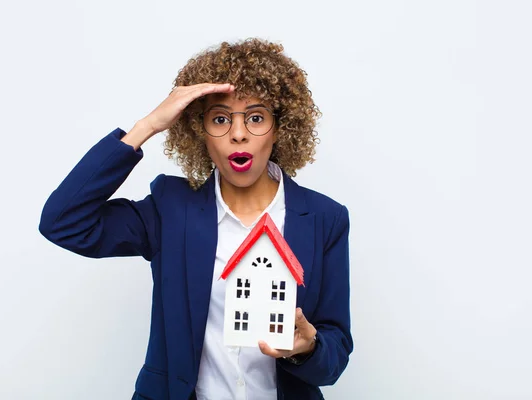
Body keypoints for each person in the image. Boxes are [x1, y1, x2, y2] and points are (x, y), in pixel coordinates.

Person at [39, 38, 352, 400]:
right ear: (199, 132)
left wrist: (309, 348)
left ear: (279, 127)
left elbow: (335, 354)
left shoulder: (325, 218)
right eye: (220, 119)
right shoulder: (169, 209)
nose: (238, 133)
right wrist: (147, 126)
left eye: (256, 117)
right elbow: (63, 222)